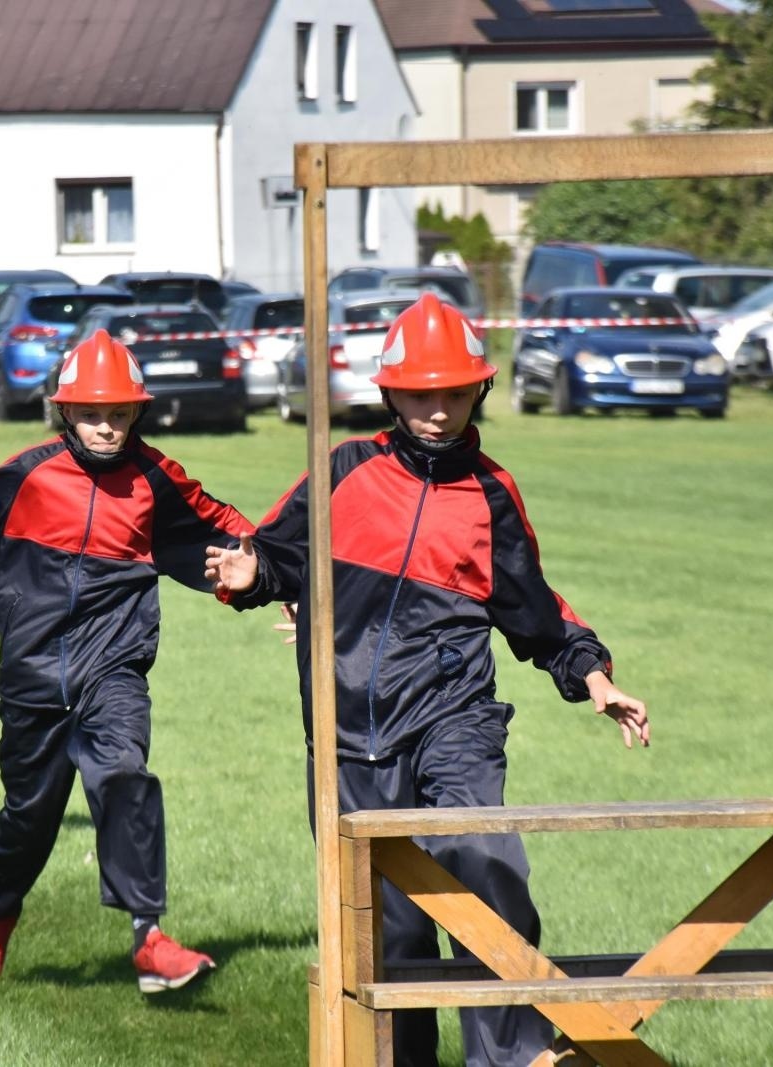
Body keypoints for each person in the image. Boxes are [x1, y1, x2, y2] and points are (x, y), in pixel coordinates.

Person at [204, 293, 651, 1066]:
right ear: (390, 394)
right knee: (392, 931)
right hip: (345, 739)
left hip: (454, 719)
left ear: (478, 391)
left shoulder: (491, 493)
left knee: (483, 859)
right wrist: (248, 574)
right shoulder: (344, 468)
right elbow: (275, 552)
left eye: (454, 393)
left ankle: (512, 1056)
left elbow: (532, 608)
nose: (438, 411)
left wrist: (592, 676)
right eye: (420, 394)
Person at [0, 330, 252, 995]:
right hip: (33, 681)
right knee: (27, 819)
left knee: (124, 774)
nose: (106, 426)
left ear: (137, 413)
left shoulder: (156, 478)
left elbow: (227, 533)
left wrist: (269, 574)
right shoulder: (24, 475)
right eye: (92, 413)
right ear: (65, 411)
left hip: (114, 668)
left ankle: (148, 935)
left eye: (120, 413)